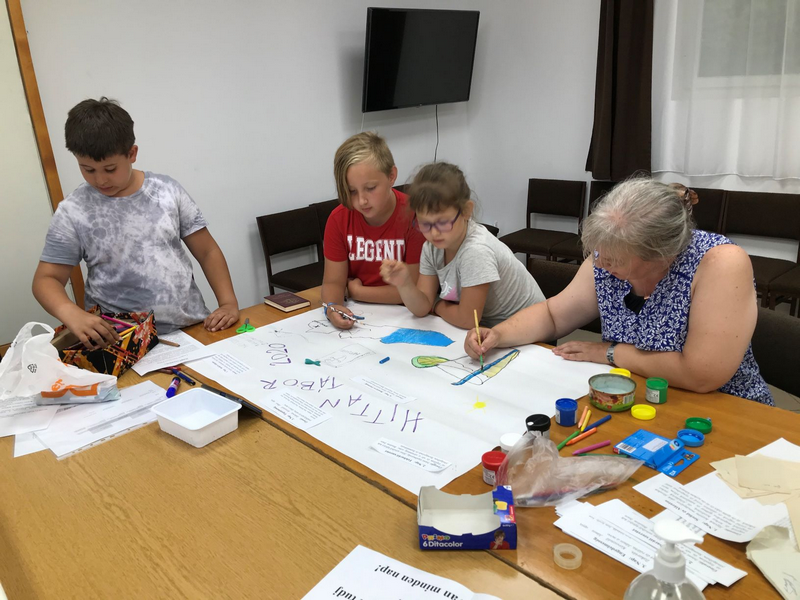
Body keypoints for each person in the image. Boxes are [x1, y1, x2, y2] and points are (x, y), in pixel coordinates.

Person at [465, 178, 772, 405]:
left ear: (661, 255)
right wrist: (499, 334)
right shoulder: (608, 253)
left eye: (614, 259)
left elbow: (700, 374)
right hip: (633, 395)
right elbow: (553, 315)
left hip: (720, 408)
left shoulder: (720, 263)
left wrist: (609, 353)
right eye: (599, 253)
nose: (601, 263)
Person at [33, 97, 239, 349]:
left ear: (132, 154)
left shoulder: (167, 191)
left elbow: (207, 252)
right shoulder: (73, 211)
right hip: (121, 341)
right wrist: (71, 313)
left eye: (110, 169)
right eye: (87, 169)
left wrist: (228, 302)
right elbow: (46, 280)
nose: (100, 180)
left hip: (191, 327)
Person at [381, 162, 545, 329]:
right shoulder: (431, 248)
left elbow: (467, 320)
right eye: (425, 224)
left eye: (443, 222)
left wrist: (436, 304)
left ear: (466, 211)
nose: (434, 233)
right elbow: (422, 308)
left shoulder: (476, 250)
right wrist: (405, 284)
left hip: (531, 328)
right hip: (492, 328)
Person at [322, 131, 425, 329]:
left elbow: (414, 291)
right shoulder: (338, 219)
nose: (362, 200)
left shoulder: (416, 217)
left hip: (407, 318)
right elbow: (333, 283)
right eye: (352, 191)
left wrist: (358, 292)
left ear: (391, 176)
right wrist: (333, 308)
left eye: (370, 188)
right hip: (360, 318)